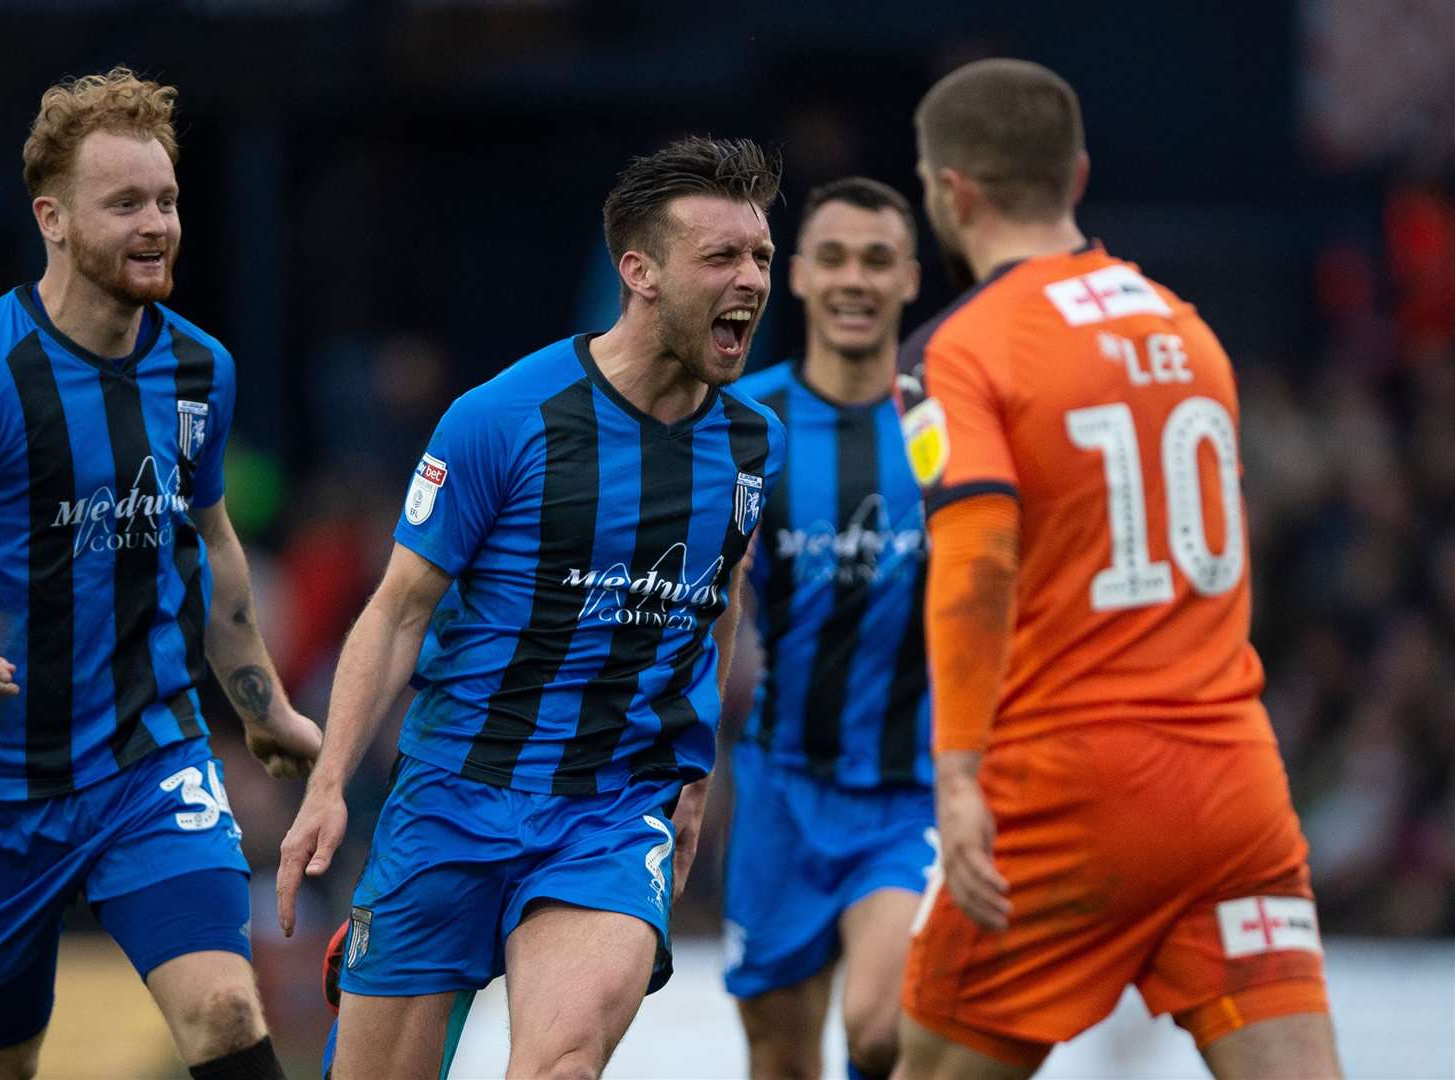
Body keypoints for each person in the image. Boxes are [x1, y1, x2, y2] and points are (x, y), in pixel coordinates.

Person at [276, 135, 787, 1080]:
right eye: (720, 257)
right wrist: (329, 783)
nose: (751, 279)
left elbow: (719, 604)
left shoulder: (753, 446)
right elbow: (395, 611)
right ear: (638, 272)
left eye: (759, 255)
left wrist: (699, 771)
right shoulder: (502, 418)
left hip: (611, 809)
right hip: (451, 797)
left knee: (559, 1065)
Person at [894, 59, 1342, 1079]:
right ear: (1077, 173)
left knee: (918, 1061)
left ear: (951, 190)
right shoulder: (1186, 332)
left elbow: (972, 559)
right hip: (1232, 780)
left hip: (1068, 786)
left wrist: (958, 776)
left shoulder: (954, 351)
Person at [0, 68, 321, 1080]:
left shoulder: (200, 370)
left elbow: (209, 540)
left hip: (146, 758)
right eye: (125, 202)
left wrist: (259, 704)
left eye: (167, 201)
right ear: (53, 218)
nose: (158, 223)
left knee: (222, 1011)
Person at [722, 177, 929, 1080]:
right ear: (798, 276)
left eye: (877, 260)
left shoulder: (944, 425)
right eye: (835, 258)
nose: (855, 279)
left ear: (909, 280)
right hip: (779, 791)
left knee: (882, 1030)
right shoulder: (744, 425)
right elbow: (709, 608)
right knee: (778, 1055)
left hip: (908, 796)